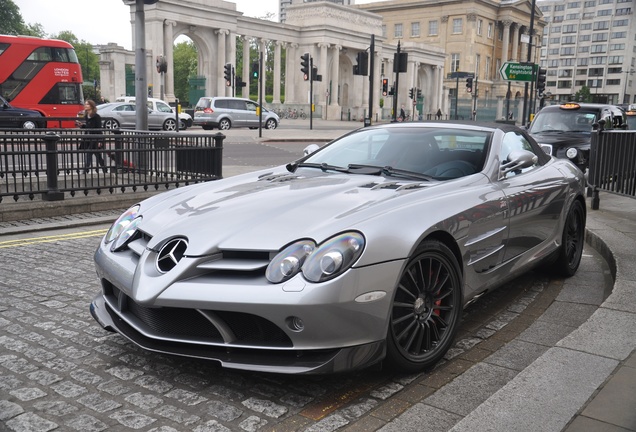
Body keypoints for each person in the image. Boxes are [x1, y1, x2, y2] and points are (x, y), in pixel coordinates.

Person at [77, 99, 106, 173]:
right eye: (85, 104)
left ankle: (85, 170)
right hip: (88, 138)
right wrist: (82, 126)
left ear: (91, 106)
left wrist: (100, 140)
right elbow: (88, 127)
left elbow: (99, 129)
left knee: (89, 153)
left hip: (95, 138)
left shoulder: (96, 117)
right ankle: (104, 169)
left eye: (87, 104)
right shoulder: (87, 116)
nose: (85, 105)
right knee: (98, 155)